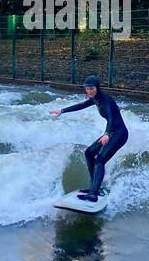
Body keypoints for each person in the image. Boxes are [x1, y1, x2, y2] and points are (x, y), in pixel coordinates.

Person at [49, 74, 128, 202]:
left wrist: (107, 134)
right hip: (111, 133)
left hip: (119, 134)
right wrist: (62, 111)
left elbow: (111, 118)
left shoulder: (107, 100)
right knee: (89, 152)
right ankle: (94, 188)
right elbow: (81, 105)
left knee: (100, 159)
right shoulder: (95, 99)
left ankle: (93, 194)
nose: (89, 91)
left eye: (92, 88)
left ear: (97, 88)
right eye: (87, 88)